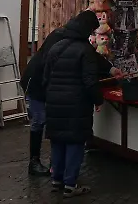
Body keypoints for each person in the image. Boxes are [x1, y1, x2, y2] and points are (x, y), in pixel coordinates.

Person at [42, 11, 104, 197]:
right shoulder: (85, 51)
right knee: (75, 143)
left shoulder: (56, 46)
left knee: (58, 141)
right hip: (76, 103)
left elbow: (46, 77)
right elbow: (89, 81)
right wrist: (97, 100)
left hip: (54, 102)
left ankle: (57, 179)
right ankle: (70, 184)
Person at [20, 26, 65, 176]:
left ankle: (52, 161)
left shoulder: (59, 38)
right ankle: (34, 162)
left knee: (45, 120)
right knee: (39, 120)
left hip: (40, 84)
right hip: (36, 85)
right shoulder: (57, 44)